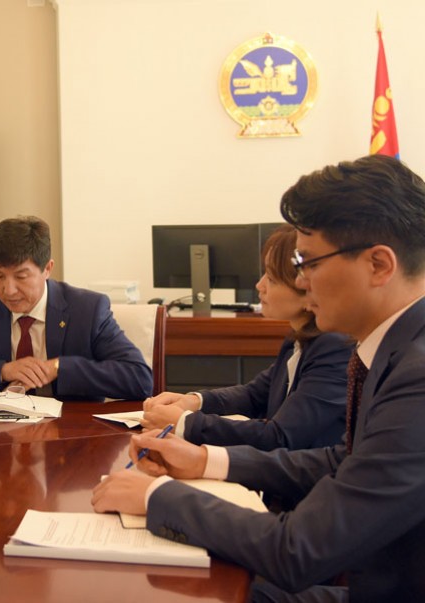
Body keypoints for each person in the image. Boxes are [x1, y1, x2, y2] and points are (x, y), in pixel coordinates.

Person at [92, 155, 425, 602]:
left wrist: (157, 496)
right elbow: (341, 461)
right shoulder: (395, 349)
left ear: (379, 265)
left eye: (308, 262)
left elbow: (299, 548)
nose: (301, 282)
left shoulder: (417, 375)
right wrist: (203, 461)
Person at [142, 224, 351, 452]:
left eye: (272, 278)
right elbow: (254, 395)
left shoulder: (334, 346)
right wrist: (194, 401)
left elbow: (280, 437)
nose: (259, 285)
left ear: (308, 289)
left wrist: (184, 423)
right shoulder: (299, 337)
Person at [0, 216, 152, 401]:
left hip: (69, 435)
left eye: (21, 276)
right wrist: (3, 371)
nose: (8, 290)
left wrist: (58, 368)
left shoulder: (87, 310)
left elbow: (139, 378)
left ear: (47, 269)